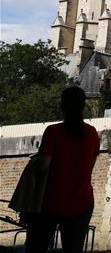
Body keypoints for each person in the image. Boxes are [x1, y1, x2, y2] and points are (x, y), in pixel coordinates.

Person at [26, 86, 99, 253]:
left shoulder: (53, 132)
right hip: (81, 201)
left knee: (36, 247)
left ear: (62, 106)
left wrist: (33, 163)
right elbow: (89, 166)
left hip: (51, 202)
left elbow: (43, 165)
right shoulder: (92, 133)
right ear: (83, 106)